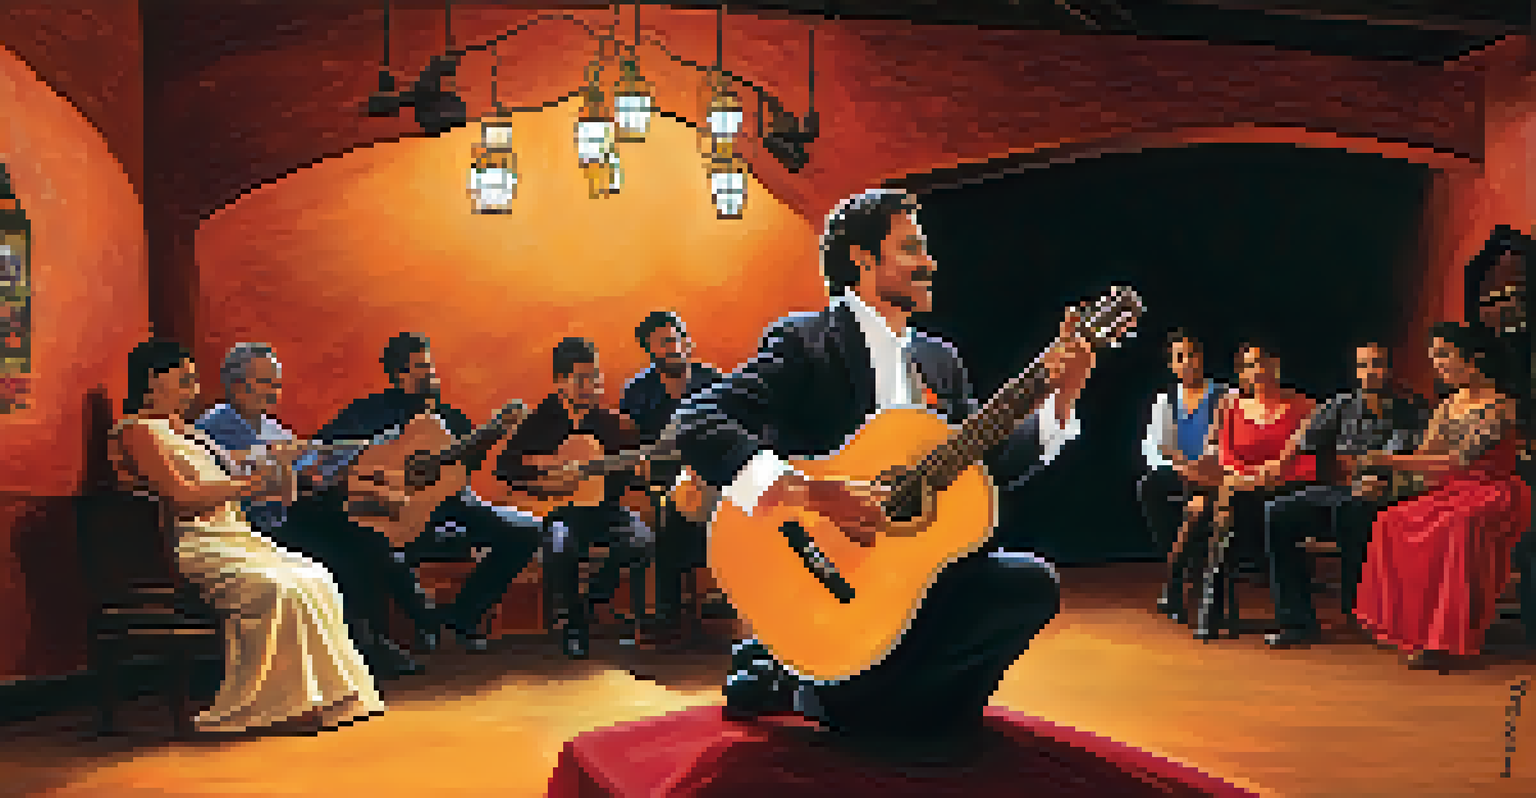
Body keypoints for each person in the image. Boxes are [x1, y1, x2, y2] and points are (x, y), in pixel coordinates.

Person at [670, 188, 1100, 754]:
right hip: (823, 583)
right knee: (896, 701)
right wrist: (818, 494)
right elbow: (700, 419)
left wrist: (1059, 399)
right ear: (860, 260)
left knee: (1029, 585)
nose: (930, 262)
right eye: (912, 248)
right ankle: (832, 684)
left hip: (905, 588)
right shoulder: (805, 342)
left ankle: (849, 699)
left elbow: (989, 462)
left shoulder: (940, 361)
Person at [106, 339, 384, 735]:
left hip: (230, 534)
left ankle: (326, 696)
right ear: (152, 380)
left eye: (193, 382)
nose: (192, 392)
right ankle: (275, 703)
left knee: (316, 577)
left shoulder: (182, 432)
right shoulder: (136, 431)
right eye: (183, 382)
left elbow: (229, 465)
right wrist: (247, 484)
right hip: (195, 540)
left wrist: (277, 460)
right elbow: (182, 496)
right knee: (275, 587)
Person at [289, 333, 542, 665]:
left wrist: (487, 436)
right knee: (374, 541)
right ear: (399, 375)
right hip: (395, 511)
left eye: (431, 366)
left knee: (528, 529)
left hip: (455, 505)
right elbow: (320, 456)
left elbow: (461, 470)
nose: (432, 375)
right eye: (421, 368)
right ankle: (420, 624)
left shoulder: (447, 415)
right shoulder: (367, 413)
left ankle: (462, 614)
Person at [1353, 322, 1532, 670]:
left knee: (1456, 524)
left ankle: (1450, 640)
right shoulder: (1447, 405)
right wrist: (1387, 479)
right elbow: (1427, 458)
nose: (1438, 364)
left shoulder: (1500, 407)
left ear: (1473, 357)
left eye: (1444, 355)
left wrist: (1387, 460)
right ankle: (1420, 630)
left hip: (1495, 492)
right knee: (1391, 520)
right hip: (1453, 490)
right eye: (1435, 356)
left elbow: (1459, 459)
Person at [1262, 342, 1429, 648]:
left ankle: (1359, 606)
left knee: (1351, 509)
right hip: (1346, 491)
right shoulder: (1342, 405)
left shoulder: (1412, 410)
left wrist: (1390, 481)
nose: (1370, 373)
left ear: (1389, 369)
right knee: (1277, 510)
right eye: (1363, 366)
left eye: (1377, 364)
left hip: (1392, 494)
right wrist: (1278, 465)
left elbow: (1423, 460)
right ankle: (1296, 621)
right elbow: (1302, 437)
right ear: (1356, 371)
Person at [496, 337, 654, 659]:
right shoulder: (540, 419)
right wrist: (549, 478)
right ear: (560, 383)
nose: (591, 385)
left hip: (605, 511)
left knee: (642, 541)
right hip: (560, 512)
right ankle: (573, 628)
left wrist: (635, 471)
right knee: (559, 548)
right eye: (582, 378)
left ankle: (591, 601)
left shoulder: (614, 424)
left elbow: (627, 475)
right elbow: (505, 465)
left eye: (595, 377)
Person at [1192, 341, 1317, 640]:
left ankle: (1210, 605)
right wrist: (1250, 477)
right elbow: (1226, 454)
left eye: (1262, 362)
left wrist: (1268, 476)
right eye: (1249, 366)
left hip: (1287, 489)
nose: (1257, 371)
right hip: (1244, 490)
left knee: (1223, 506)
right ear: (1242, 373)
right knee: (1230, 501)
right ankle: (1211, 601)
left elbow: (1309, 459)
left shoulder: (1304, 406)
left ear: (1276, 365)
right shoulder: (1232, 407)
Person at [618, 310, 727, 641]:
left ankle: (725, 592)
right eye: (665, 343)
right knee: (668, 509)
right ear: (651, 352)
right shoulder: (637, 392)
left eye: (678, 338)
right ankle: (669, 612)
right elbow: (630, 446)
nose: (675, 347)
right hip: (662, 480)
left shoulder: (713, 381)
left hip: (713, 473)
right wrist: (643, 466)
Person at [1138, 329, 1228, 623]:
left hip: (1216, 476)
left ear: (1201, 358)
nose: (1187, 362)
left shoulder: (1224, 396)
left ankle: (1176, 581)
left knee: (1198, 503)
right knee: (1150, 485)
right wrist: (1181, 466)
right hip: (1180, 473)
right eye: (1180, 357)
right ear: (1172, 365)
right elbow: (1155, 447)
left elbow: (1227, 444)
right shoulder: (1166, 400)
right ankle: (1178, 562)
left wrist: (1201, 465)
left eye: (1192, 355)